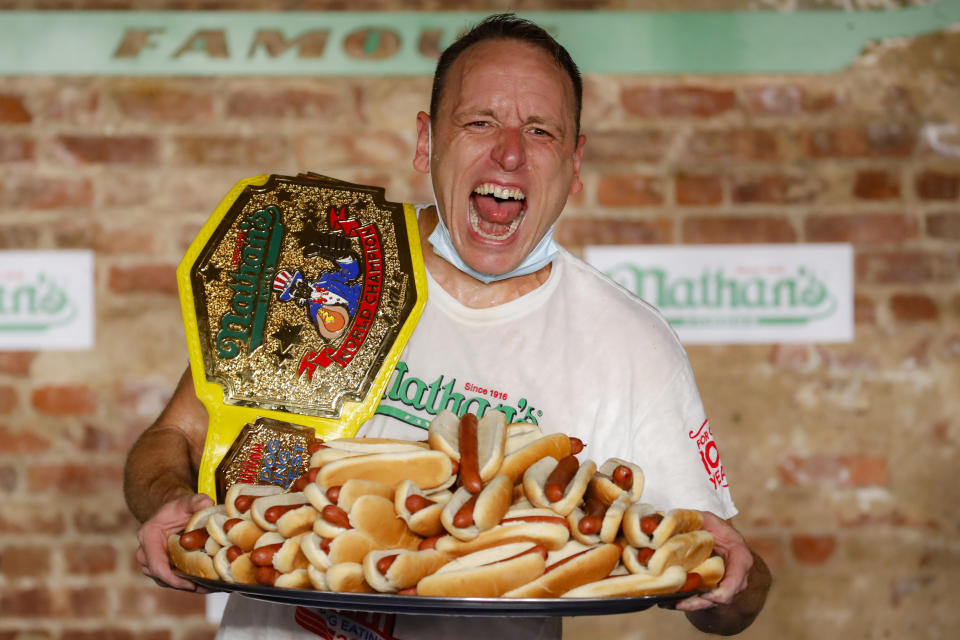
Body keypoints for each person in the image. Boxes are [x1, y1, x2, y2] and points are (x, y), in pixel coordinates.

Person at [125, 13, 771, 639]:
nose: (510, 153)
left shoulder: (630, 344)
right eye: (480, 121)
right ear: (426, 141)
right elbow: (174, 436)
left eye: (541, 131)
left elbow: (721, 589)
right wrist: (166, 500)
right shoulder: (323, 259)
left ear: (574, 164)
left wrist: (732, 583)